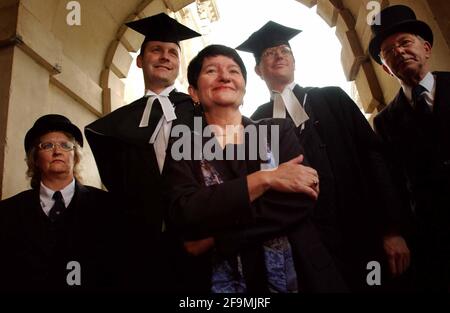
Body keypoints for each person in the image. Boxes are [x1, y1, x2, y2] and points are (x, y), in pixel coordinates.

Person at [164, 44, 347, 293]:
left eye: (233, 71)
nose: (225, 76)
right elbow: (184, 212)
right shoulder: (183, 142)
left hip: (303, 274)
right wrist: (264, 180)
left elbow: (301, 199)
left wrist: (217, 236)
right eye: (211, 71)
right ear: (194, 92)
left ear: (243, 88)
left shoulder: (277, 130)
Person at [237, 21, 402, 291]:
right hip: (305, 248)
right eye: (269, 53)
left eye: (284, 50)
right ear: (258, 70)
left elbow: (374, 160)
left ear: (293, 60)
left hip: (362, 232)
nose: (279, 55)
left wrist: (392, 229)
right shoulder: (255, 122)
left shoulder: (333, 99)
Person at [84, 13, 200, 292]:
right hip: (137, 247)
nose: (165, 56)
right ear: (140, 60)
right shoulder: (115, 125)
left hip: (196, 239)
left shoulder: (200, 112)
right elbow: (116, 185)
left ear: (178, 64)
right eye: (156, 50)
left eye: (172, 52)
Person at [370, 5, 450, 291]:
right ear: (385, 68)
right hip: (436, 239)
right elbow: (392, 183)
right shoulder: (384, 122)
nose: (399, 52)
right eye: (389, 51)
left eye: (405, 42)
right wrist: (392, 231)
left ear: (426, 48)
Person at [0, 114, 119, 292]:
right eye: (47, 146)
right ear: (35, 159)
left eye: (65, 145)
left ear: (75, 157)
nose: (57, 151)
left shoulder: (108, 207)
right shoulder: (6, 212)